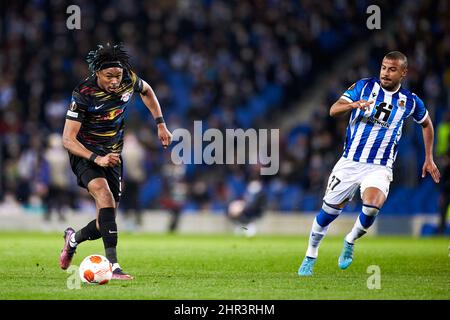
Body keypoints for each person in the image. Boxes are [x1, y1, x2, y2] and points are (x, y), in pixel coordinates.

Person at [298, 51, 441, 276]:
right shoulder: (364, 87)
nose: (385, 72)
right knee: (327, 213)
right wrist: (353, 105)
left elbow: (427, 124)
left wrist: (429, 157)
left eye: (392, 69)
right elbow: (333, 109)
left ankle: (350, 240)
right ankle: (310, 254)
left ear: (403, 72)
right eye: (384, 67)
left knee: (372, 206)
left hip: (379, 167)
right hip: (350, 162)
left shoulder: (410, 101)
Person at [59, 43, 173, 280]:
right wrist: (96, 158)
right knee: (104, 195)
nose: (114, 81)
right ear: (97, 73)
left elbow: (148, 91)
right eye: (109, 76)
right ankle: (114, 267)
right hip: (86, 154)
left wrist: (160, 123)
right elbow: (68, 140)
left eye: (118, 76)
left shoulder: (128, 79)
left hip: (112, 156)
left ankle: (72, 239)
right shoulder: (83, 94)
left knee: (105, 221)